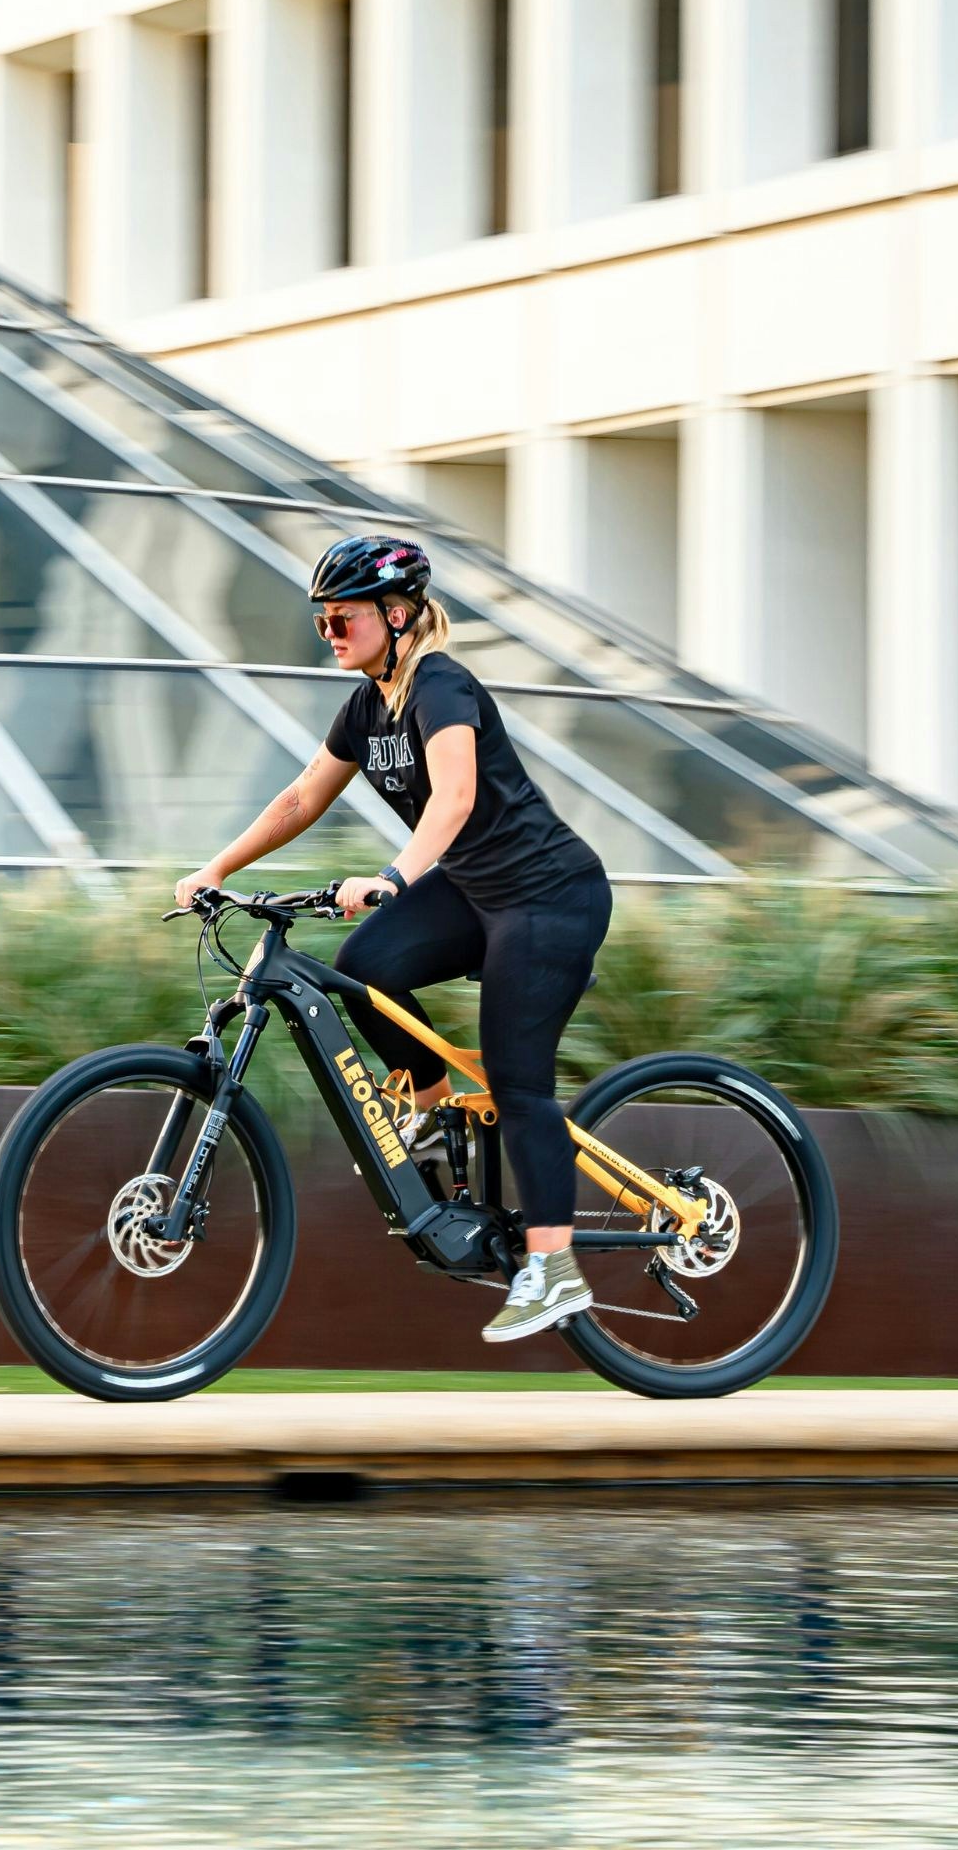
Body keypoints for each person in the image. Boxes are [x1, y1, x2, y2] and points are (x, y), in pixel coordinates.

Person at [174, 535, 613, 1343]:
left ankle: (555, 1270)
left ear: (398, 615)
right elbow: (302, 797)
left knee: (518, 1082)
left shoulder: (440, 684)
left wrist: (394, 876)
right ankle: (437, 1113)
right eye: (322, 622)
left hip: (549, 896)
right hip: (477, 891)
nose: (330, 633)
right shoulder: (365, 708)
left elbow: (455, 796)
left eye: (342, 619)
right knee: (365, 965)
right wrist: (218, 868)